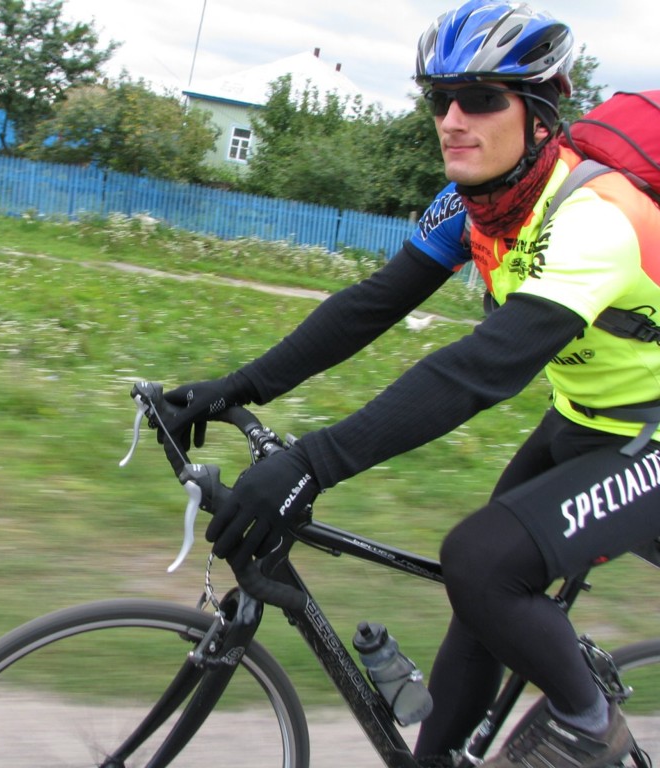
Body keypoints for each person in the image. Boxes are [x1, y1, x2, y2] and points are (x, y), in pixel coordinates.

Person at [156, 2, 660, 766]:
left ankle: (590, 726)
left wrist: (312, 464)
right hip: (589, 419)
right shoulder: (475, 204)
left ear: (540, 114)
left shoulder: (596, 218)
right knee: (480, 601)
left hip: (649, 438)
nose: (452, 120)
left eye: (480, 99)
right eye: (439, 98)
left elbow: (480, 369)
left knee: (482, 561)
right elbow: (372, 304)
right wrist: (238, 386)